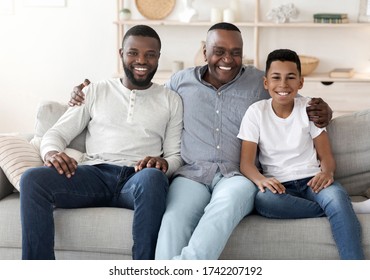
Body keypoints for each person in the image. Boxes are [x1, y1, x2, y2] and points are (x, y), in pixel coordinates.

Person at [70, 23, 333, 260]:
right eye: (219, 50)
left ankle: (185, 269)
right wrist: (85, 94)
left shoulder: (258, 81)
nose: (228, 59)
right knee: (173, 220)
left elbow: (292, 97)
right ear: (204, 51)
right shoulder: (179, 82)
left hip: (237, 176)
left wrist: (325, 111)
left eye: (236, 52)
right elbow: (145, 98)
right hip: (191, 175)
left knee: (225, 208)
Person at [19, 25, 183, 260]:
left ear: (158, 57)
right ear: (121, 54)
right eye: (133, 52)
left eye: (150, 54)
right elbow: (56, 134)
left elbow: (175, 156)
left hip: (137, 178)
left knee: (153, 177)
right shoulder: (95, 91)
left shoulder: (171, 100)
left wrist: (162, 164)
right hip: (93, 174)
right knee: (32, 179)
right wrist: (51, 153)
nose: (141, 60)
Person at [237, 48, 364, 259]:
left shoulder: (309, 109)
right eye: (276, 78)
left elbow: (326, 157)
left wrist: (327, 173)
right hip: (279, 185)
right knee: (263, 201)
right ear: (266, 82)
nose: (283, 85)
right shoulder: (255, 112)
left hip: (313, 180)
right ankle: (342, 210)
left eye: (291, 78)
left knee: (335, 195)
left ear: (300, 83)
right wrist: (261, 180)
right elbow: (246, 164)